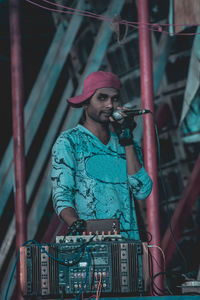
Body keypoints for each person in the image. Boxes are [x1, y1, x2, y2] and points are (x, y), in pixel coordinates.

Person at [51, 71, 152, 239]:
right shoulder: (69, 142)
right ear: (85, 103)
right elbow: (61, 195)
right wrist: (77, 225)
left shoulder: (127, 143)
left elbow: (142, 191)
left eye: (115, 98)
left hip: (129, 246)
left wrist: (127, 140)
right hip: (90, 245)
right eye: (102, 98)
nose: (110, 105)